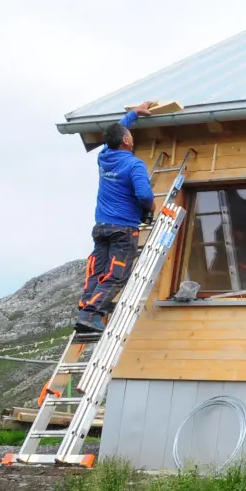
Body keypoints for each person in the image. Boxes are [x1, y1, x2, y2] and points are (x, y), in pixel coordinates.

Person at [76, 100, 159, 333]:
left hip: (101, 226)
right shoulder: (134, 165)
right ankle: (92, 315)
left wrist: (134, 113)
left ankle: (85, 310)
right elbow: (143, 194)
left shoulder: (104, 156)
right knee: (116, 275)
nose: (132, 136)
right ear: (126, 141)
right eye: (130, 134)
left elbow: (114, 132)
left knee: (98, 271)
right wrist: (151, 205)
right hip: (123, 229)